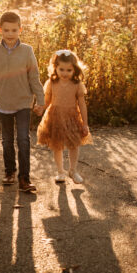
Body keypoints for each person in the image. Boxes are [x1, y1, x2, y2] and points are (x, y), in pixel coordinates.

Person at [0, 11, 44, 193]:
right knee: (7, 140)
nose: (10, 34)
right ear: (0, 30)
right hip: (3, 102)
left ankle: (24, 178)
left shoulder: (27, 51)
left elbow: (34, 76)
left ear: (20, 30)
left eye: (14, 30)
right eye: (6, 30)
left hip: (24, 102)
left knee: (23, 140)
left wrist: (40, 100)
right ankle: (10, 171)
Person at [36, 49, 92, 185]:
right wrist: (40, 107)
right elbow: (47, 100)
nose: (65, 73)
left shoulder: (77, 84)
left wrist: (85, 124)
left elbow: (82, 105)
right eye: (61, 69)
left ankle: (73, 170)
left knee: (74, 144)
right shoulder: (52, 82)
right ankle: (60, 172)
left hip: (72, 117)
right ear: (55, 68)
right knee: (57, 145)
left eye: (69, 70)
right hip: (55, 117)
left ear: (75, 70)